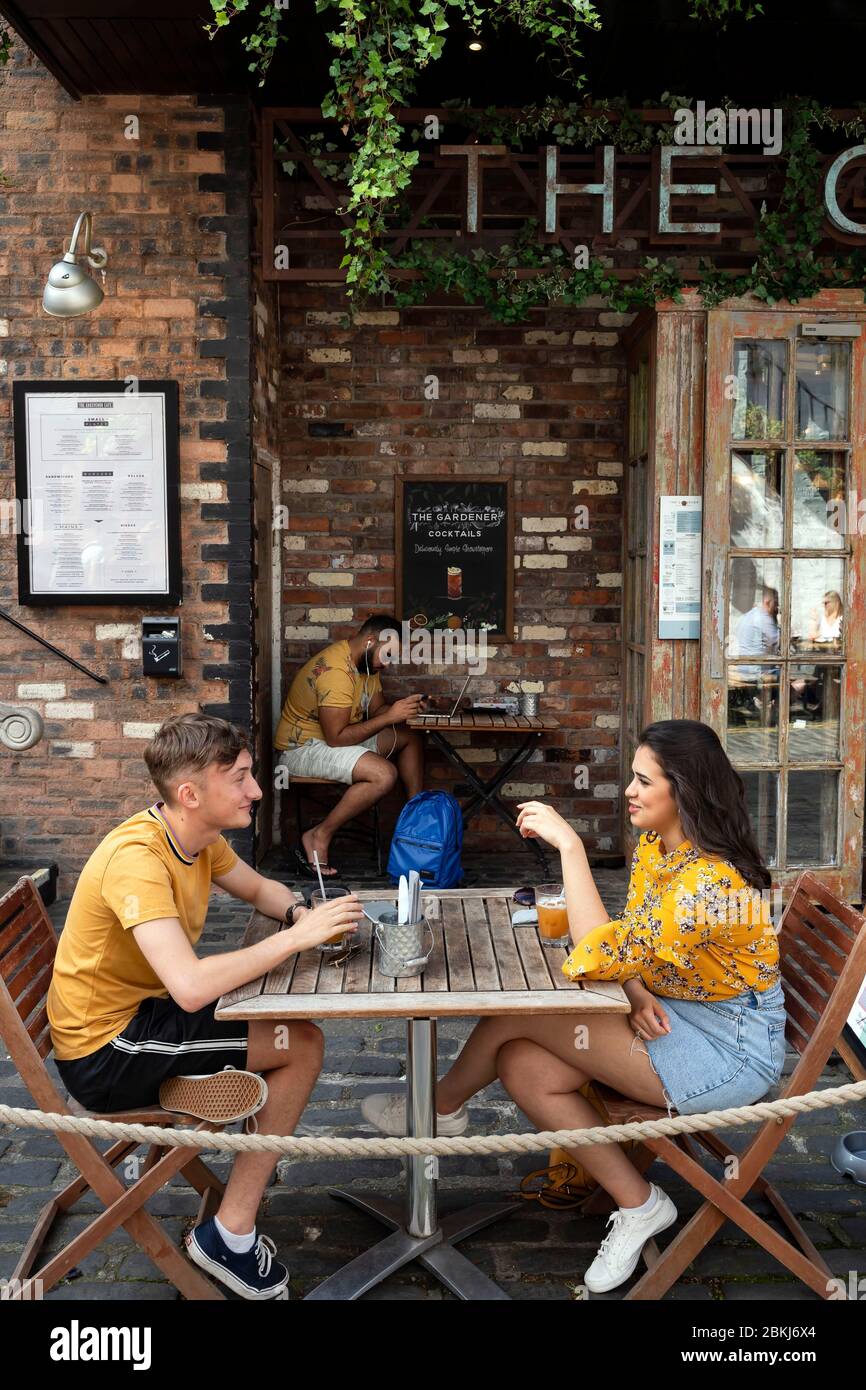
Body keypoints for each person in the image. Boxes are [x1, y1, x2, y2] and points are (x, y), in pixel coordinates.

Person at [362, 719, 786, 1294]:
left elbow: (594, 951)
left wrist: (571, 846)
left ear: (683, 790)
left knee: (527, 1011)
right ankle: (640, 1204)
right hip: (677, 1009)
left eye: (643, 781)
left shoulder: (706, 884)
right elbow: (628, 949)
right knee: (523, 1064)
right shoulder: (660, 850)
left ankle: (438, 1108)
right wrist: (634, 990)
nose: (630, 792)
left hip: (728, 1053)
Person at [47, 713, 365, 1300]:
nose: (256, 790)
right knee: (302, 1043)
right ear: (191, 794)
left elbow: (261, 891)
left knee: (277, 1019)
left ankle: (199, 1094)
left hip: (147, 1017)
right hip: (108, 1051)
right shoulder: (138, 859)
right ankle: (229, 1235)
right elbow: (192, 986)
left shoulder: (196, 837)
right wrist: (297, 938)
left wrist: (300, 915)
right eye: (240, 778)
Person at [274, 614, 426, 876]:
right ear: (370, 641)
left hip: (333, 740)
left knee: (409, 737)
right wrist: (390, 716)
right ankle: (319, 835)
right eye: (388, 654)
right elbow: (337, 737)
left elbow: (378, 711)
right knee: (383, 774)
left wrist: (405, 710)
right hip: (302, 748)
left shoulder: (367, 665)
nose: (389, 664)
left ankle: (416, 823)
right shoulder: (336, 673)